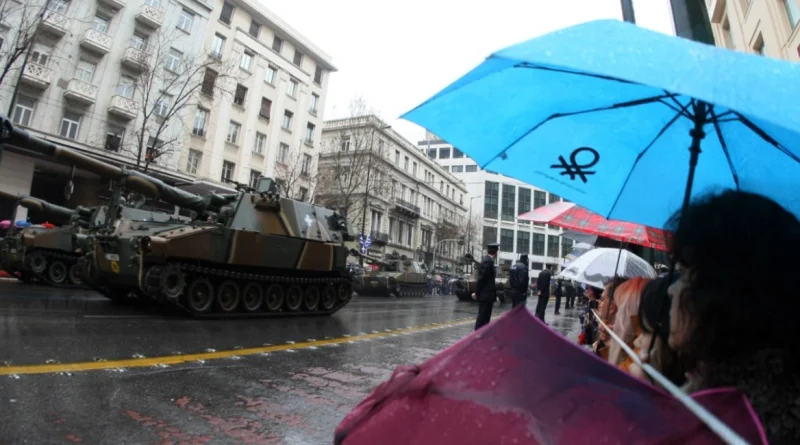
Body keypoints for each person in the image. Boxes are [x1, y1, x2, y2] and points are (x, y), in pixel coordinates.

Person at [663, 190, 800, 444]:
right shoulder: (772, 402)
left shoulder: (720, 427)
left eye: (686, 273)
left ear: (724, 295)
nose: (672, 289)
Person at [472, 242, 499, 330]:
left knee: (485, 317)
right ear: (496, 252)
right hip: (486, 295)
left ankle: (482, 333)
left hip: (487, 295)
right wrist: (477, 293)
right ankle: (478, 334)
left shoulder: (488, 261)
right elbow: (481, 279)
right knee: (483, 317)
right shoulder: (487, 261)